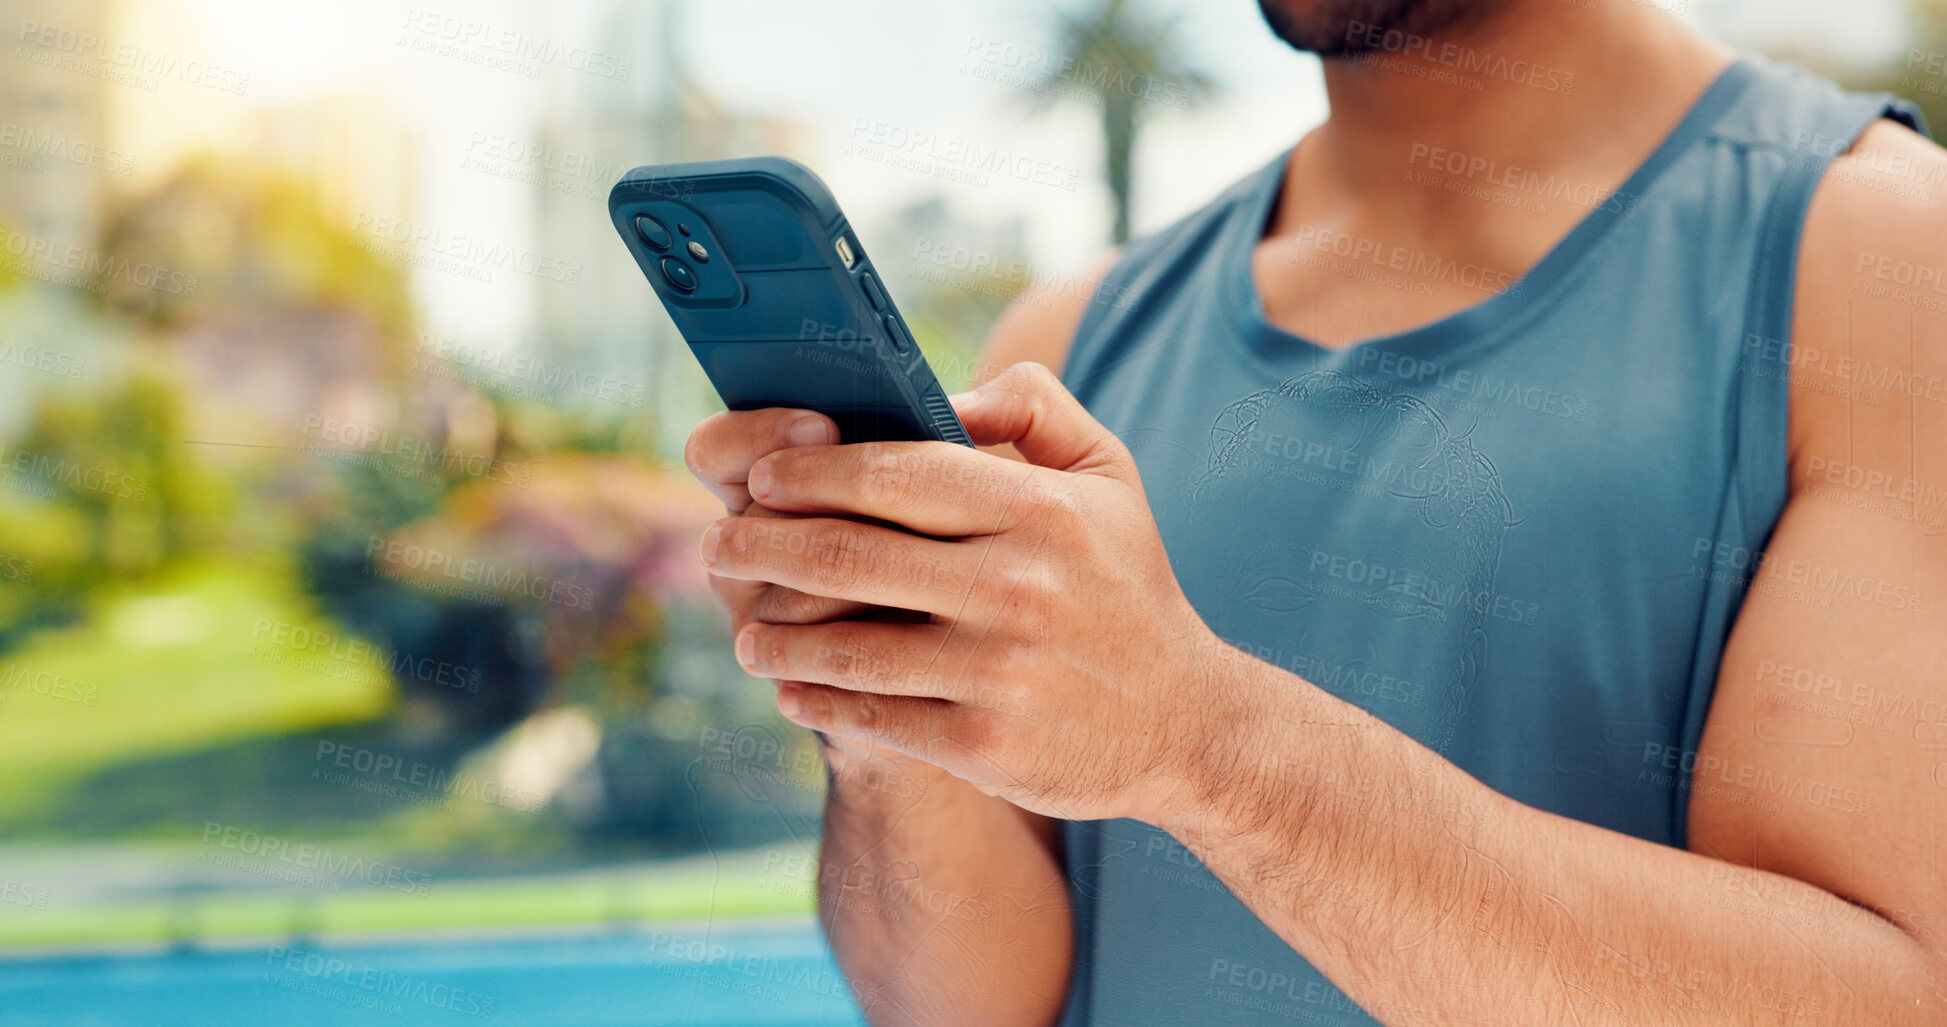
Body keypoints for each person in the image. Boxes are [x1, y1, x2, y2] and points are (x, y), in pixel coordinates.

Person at [685, 0, 1947, 1022]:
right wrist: (877, 710)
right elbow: (962, 1009)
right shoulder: (1071, 340)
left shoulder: (1888, 263)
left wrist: (1207, 745)